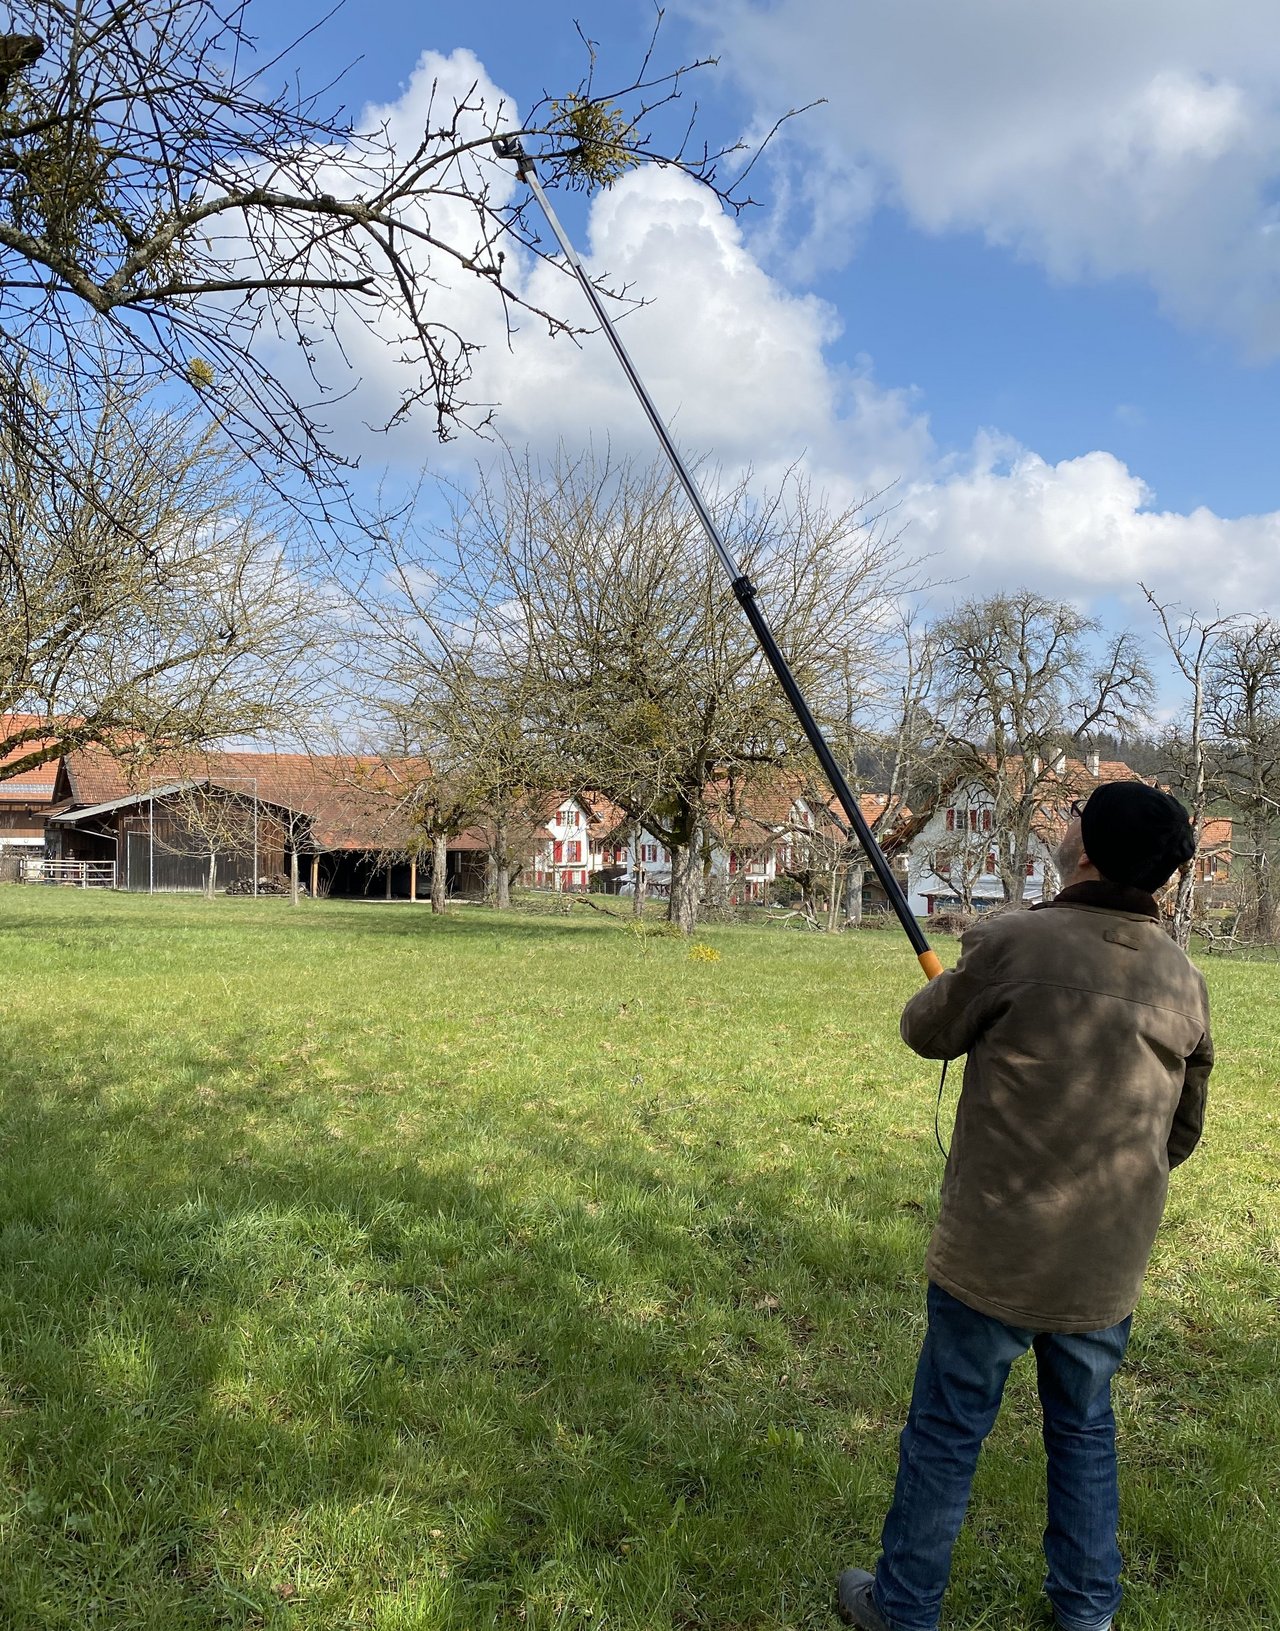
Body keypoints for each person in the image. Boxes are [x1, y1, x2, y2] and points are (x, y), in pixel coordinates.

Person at [837, 781, 1213, 1631]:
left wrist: (961, 977)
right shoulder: (1184, 981)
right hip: (1102, 1269)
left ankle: (904, 1610)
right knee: (1084, 1431)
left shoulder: (1013, 941)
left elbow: (925, 1031)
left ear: (1088, 849)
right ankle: (1087, 1614)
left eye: (1074, 814)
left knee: (946, 1431)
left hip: (993, 1256)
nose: (1065, 823)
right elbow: (1181, 1132)